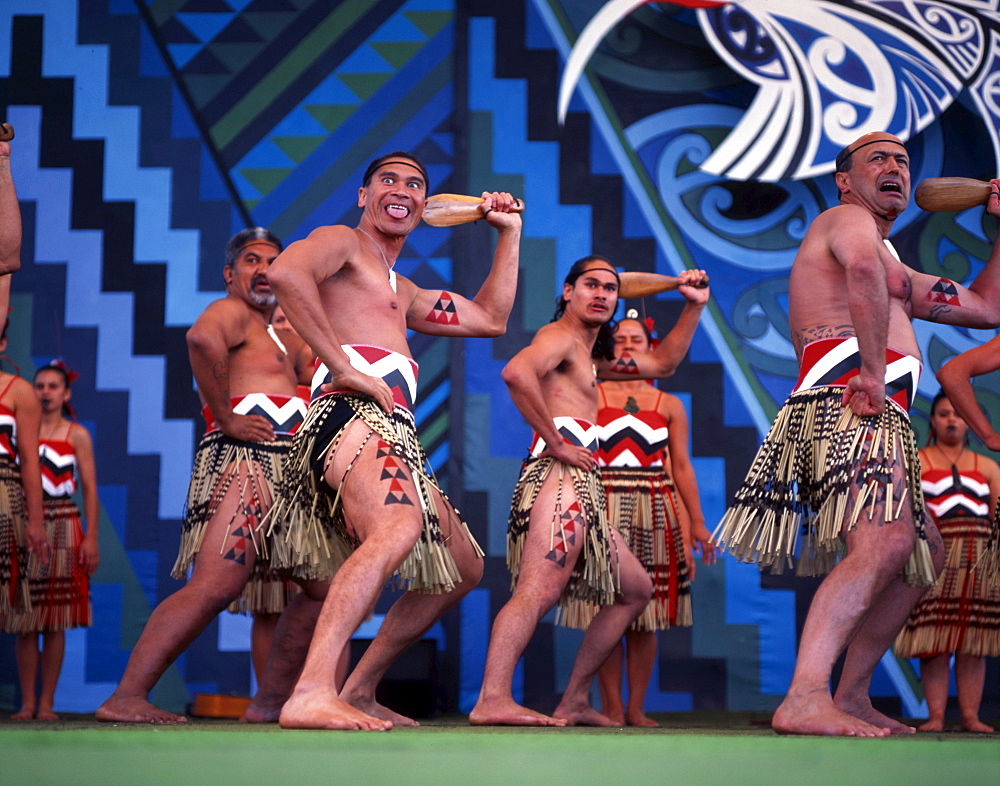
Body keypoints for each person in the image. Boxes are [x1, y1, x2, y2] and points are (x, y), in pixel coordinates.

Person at [712, 131, 1000, 737]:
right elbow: (862, 267)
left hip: (877, 412)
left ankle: (851, 693)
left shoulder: (897, 265)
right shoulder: (845, 220)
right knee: (883, 548)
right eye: (878, 158)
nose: (894, 166)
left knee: (920, 551)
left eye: (902, 159)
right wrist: (871, 370)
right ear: (846, 179)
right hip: (847, 403)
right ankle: (805, 696)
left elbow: (984, 307)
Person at [259, 151, 521, 731]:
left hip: (393, 431)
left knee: (463, 566)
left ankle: (357, 689)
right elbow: (285, 274)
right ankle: (309, 691)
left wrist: (509, 233)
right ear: (363, 195)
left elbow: (491, 319)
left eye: (415, 183)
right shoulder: (342, 243)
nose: (401, 189)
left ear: (426, 206)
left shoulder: (403, 289)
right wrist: (340, 366)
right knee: (398, 528)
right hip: (345, 413)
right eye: (388, 179)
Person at [469, 255, 709, 726]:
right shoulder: (558, 338)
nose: (601, 294)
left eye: (610, 288)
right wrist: (556, 442)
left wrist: (693, 306)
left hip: (581, 485)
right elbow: (516, 373)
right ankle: (492, 697)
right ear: (567, 292)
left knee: (635, 589)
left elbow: (662, 362)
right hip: (560, 480)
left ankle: (575, 699)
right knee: (537, 591)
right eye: (590, 285)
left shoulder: (589, 352)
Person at [96, 227, 315, 723]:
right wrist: (228, 416)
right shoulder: (232, 313)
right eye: (251, 261)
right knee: (214, 587)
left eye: (272, 261)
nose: (263, 270)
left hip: (287, 469)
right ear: (229, 273)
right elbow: (201, 339)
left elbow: (316, 370)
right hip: (248, 464)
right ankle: (126, 696)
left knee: (324, 588)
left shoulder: (279, 330)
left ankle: (269, 703)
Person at [585, 314, 715, 726]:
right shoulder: (588, 393)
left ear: (652, 347)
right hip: (601, 503)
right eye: (619, 339)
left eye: (636, 339)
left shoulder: (669, 404)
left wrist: (695, 521)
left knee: (647, 616)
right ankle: (611, 707)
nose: (627, 345)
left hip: (657, 508)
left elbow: (681, 467)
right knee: (605, 606)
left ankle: (636, 707)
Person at [894, 392, 1000, 732]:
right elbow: (908, 513)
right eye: (943, 414)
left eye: (957, 414)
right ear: (933, 420)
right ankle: (936, 716)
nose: (951, 420)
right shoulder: (918, 461)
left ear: (969, 421)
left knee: (973, 640)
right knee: (934, 639)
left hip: (979, 556)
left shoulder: (987, 467)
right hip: (933, 553)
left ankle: (971, 716)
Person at [7, 362, 100, 720]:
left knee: (55, 619)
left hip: (63, 523)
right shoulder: (19, 432)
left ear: (66, 393)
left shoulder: (75, 434)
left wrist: (91, 536)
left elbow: (90, 488)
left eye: (52, 386)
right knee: (24, 617)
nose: (45, 392)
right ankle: (28, 702)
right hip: (24, 521)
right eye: (40, 386)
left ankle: (47, 702)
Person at [0, 321, 49, 716]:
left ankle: (34, 703)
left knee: (18, 603)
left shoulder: (18, 391)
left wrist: (35, 522)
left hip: (6, 497)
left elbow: (30, 461)